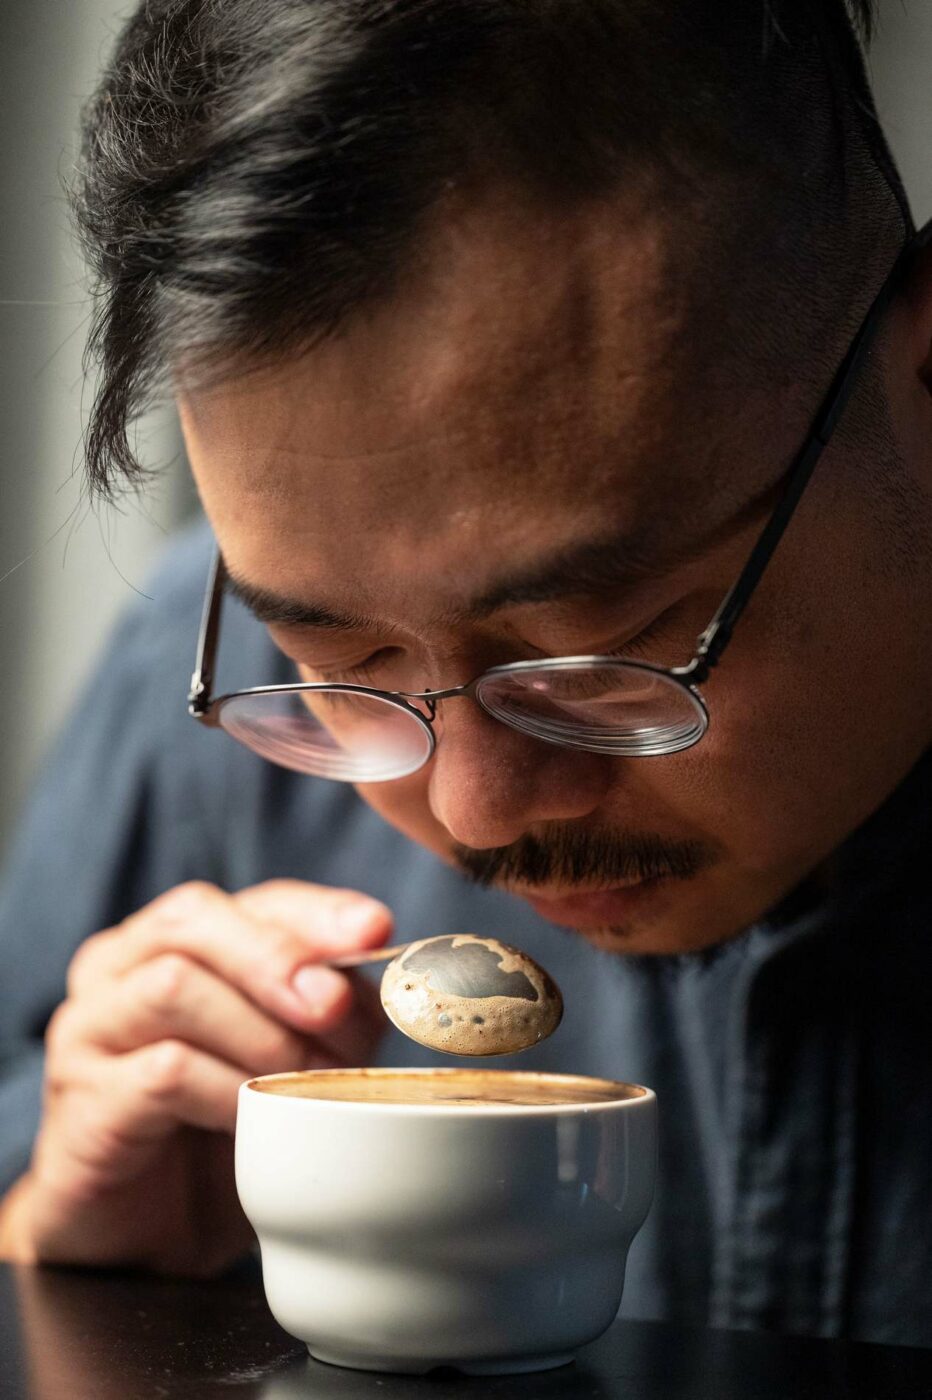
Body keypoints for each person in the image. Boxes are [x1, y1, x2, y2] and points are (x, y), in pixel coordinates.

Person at [0, 0, 930, 1347]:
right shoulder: (198, 695)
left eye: (605, 641)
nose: (475, 813)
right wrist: (71, 1278)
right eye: (344, 659)